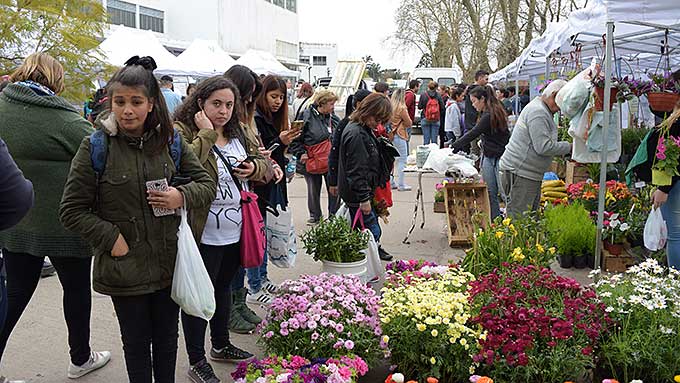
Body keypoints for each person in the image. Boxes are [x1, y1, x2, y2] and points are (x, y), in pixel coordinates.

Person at [59, 56, 216, 383]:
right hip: (124, 268)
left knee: (166, 341)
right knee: (135, 343)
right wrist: (111, 238)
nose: (127, 110)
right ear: (110, 102)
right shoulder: (96, 146)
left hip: (167, 265)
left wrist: (180, 196)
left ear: (151, 104)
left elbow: (205, 184)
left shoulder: (171, 142)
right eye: (120, 102)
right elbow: (71, 210)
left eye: (135, 102)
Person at [0, 52, 111, 379]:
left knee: (14, 295)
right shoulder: (64, 119)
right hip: (67, 226)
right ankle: (80, 359)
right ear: (55, 80)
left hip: (15, 223)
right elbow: (101, 154)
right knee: (75, 292)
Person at [174, 76, 268, 382]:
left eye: (229, 104)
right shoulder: (183, 131)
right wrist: (205, 133)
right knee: (199, 296)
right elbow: (182, 169)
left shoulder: (238, 130)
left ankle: (221, 344)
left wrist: (255, 167)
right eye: (216, 104)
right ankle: (196, 359)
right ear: (200, 102)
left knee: (224, 287)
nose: (224, 111)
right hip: (203, 231)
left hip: (236, 229)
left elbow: (264, 162)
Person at [223, 64, 268, 334]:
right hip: (226, 204)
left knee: (241, 257)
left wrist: (258, 165)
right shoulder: (221, 125)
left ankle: (239, 305)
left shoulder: (243, 121)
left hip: (244, 198)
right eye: (247, 95)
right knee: (228, 264)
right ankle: (230, 310)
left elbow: (256, 159)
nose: (250, 101)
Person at [247, 75, 299, 305]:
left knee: (267, 234)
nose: (277, 101)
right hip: (258, 186)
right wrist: (279, 139)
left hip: (272, 185)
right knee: (257, 237)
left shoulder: (272, 118)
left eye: (281, 97)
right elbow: (259, 153)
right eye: (273, 96)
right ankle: (255, 285)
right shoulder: (255, 118)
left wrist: (284, 143)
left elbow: (273, 154)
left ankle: (263, 278)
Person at [498, 79, 570, 217]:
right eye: (562, 101)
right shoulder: (538, 112)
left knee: (527, 216)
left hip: (525, 172)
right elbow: (543, 147)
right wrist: (570, 147)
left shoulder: (541, 109)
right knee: (520, 219)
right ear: (554, 95)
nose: (562, 107)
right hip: (521, 172)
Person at [338, 93, 393, 247]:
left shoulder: (361, 129)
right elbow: (357, 170)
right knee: (369, 235)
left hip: (361, 193)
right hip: (357, 196)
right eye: (377, 119)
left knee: (366, 235)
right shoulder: (356, 134)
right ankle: (364, 268)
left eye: (382, 121)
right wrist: (364, 199)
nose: (379, 124)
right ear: (367, 111)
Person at [451, 86, 510, 220]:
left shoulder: (490, 114)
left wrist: (453, 147)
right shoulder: (486, 113)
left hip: (500, 157)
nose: (473, 105)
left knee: (503, 192)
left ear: (482, 99)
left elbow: (473, 133)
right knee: (490, 192)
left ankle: (511, 223)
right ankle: (496, 221)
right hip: (489, 156)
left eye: (474, 101)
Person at [289, 90, 340, 225]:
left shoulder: (332, 117)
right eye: (331, 103)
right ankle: (315, 215)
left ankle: (334, 215)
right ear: (321, 103)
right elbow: (294, 138)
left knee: (334, 188)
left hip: (330, 159)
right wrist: (301, 153)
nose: (333, 106)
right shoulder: (305, 117)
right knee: (313, 188)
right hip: (312, 159)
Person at [328, 89, 372, 200]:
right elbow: (334, 152)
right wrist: (333, 181)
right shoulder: (348, 125)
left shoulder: (365, 124)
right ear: (359, 104)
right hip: (346, 180)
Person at [389, 88, 413, 191]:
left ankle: (391, 182)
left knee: (392, 160)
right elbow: (409, 123)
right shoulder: (402, 107)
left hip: (391, 135)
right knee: (402, 160)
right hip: (400, 134)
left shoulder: (390, 107)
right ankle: (401, 184)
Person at [463, 70, 490, 157]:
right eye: (486, 79)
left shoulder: (470, 90)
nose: (487, 81)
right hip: (474, 122)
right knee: (476, 149)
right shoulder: (475, 91)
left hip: (473, 123)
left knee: (476, 148)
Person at [418, 81, 445, 145]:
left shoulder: (423, 95)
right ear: (436, 87)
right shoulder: (438, 95)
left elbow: (419, 106)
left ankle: (426, 153)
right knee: (434, 141)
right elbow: (442, 107)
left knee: (426, 140)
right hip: (436, 119)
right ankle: (434, 153)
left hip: (425, 117)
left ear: (428, 87)